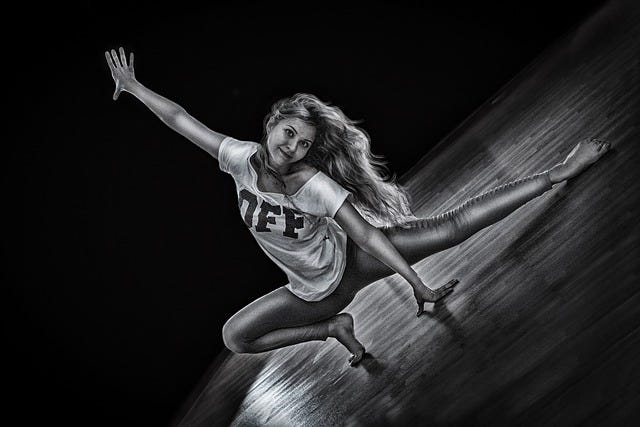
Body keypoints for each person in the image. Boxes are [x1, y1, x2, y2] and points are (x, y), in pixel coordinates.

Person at [105, 47, 611, 366]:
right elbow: (180, 118)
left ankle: (559, 172)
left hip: (356, 259)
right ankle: (333, 329)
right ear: (271, 125)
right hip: (313, 296)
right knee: (235, 338)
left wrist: (419, 285)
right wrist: (134, 88)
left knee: (452, 226)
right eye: (289, 134)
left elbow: (367, 236)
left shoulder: (315, 186)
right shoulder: (238, 159)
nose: (292, 147)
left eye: (303, 144)